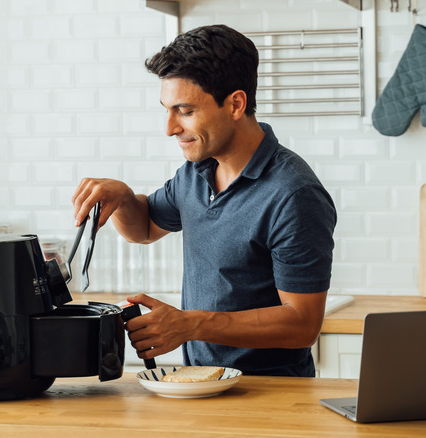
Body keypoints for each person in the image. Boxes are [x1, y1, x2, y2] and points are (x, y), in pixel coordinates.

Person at [71, 24, 336, 377]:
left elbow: (302, 325)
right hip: (201, 384)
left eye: (185, 111)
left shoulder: (293, 194)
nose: (170, 128)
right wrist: (122, 198)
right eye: (167, 109)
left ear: (235, 104)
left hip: (270, 393)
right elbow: (144, 229)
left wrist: (191, 324)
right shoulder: (195, 172)